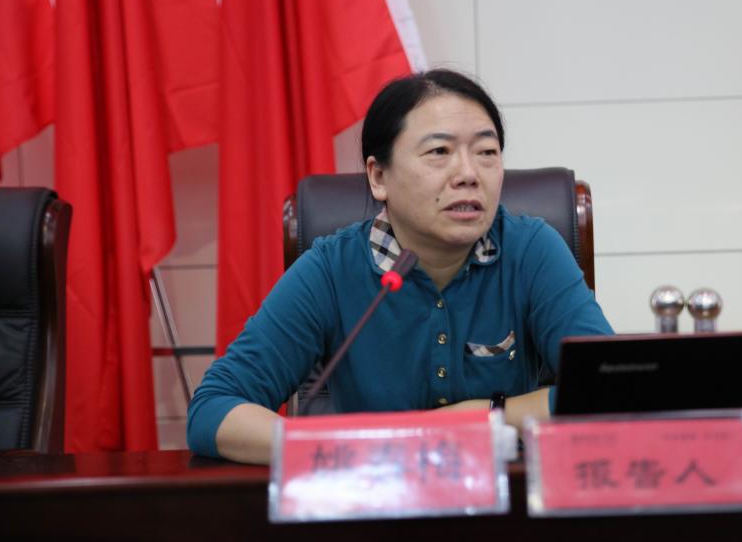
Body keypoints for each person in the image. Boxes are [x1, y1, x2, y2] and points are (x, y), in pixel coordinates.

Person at [187, 69, 613, 463]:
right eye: (439, 152)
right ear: (379, 177)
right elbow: (212, 410)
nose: (468, 174)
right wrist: (362, 447)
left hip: (504, 506)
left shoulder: (531, 250)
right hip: (376, 502)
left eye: (486, 152)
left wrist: (483, 414)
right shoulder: (331, 270)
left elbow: (610, 389)